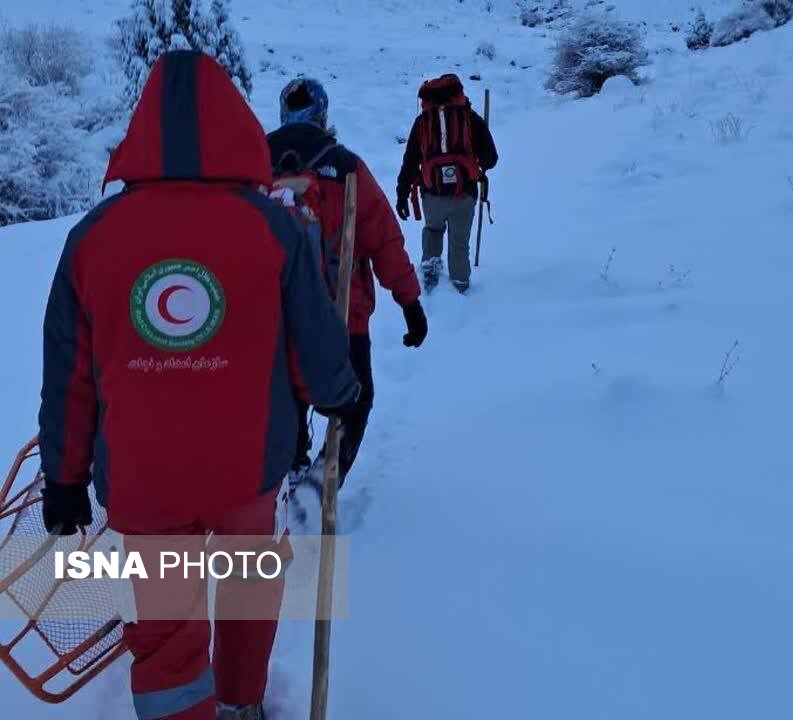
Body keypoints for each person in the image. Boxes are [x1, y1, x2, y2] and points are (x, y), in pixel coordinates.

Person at [38, 51, 359, 720]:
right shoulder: (274, 227)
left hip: (143, 479)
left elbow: (68, 372)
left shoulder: (93, 236)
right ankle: (241, 702)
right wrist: (338, 393)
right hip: (247, 467)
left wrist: (64, 478)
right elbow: (313, 341)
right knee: (248, 586)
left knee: (164, 628)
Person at [266, 77, 428, 493]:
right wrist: (409, 302)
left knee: (287, 397)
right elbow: (383, 238)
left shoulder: (254, 166)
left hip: (272, 314)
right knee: (355, 400)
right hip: (341, 313)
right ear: (323, 114)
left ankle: (293, 472)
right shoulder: (345, 166)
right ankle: (318, 488)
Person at [395, 73, 499, 293]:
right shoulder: (469, 117)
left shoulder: (423, 122)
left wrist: (402, 194)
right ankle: (460, 288)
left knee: (433, 231)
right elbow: (491, 158)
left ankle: (431, 284)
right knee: (459, 244)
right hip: (465, 194)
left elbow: (410, 161)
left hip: (432, 194)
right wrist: (479, 166)